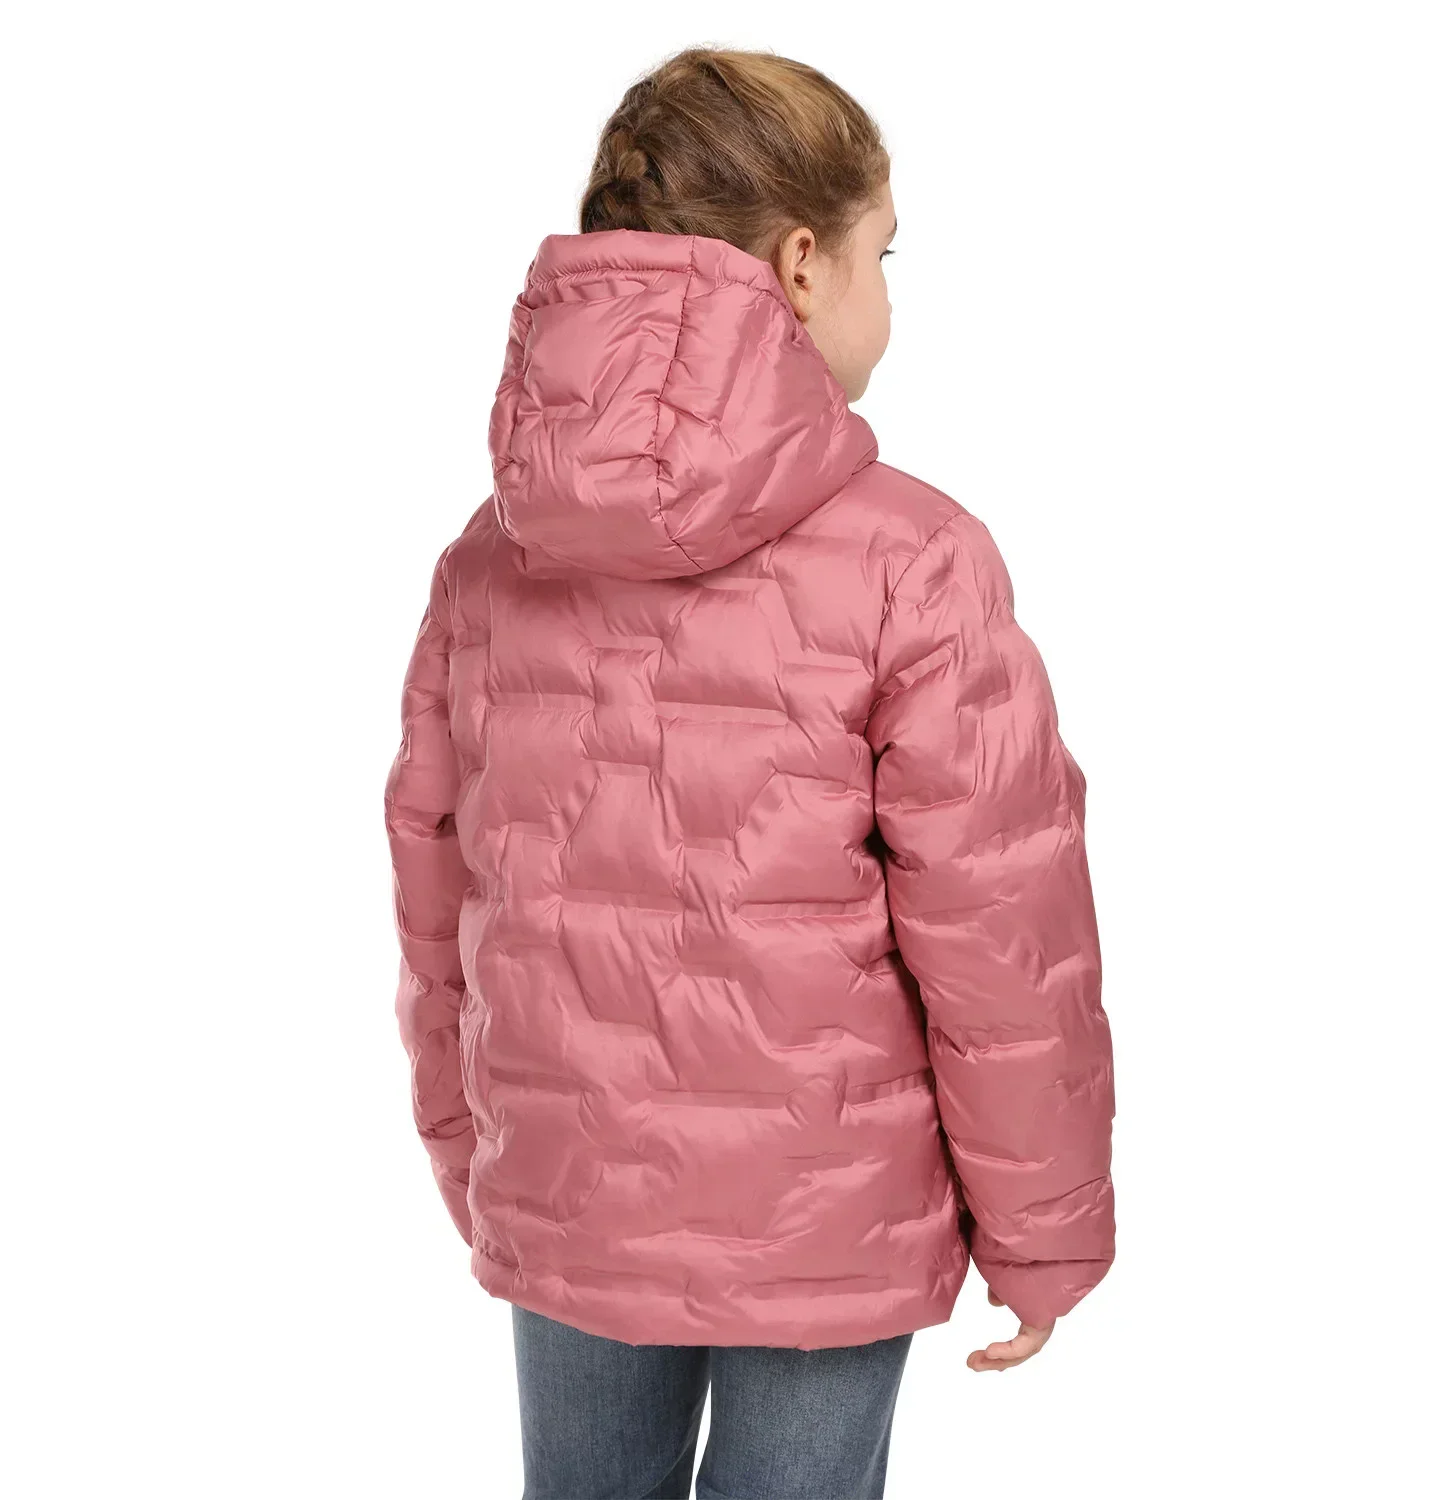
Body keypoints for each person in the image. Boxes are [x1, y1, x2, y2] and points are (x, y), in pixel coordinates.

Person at [384, 45, 1116, 1500]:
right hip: (824, 1225)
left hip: (569, 1191)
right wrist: (1044, 1229)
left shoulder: (492, 555)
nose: (887, 293)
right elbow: (1001, 934)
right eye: (881, 254)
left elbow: (437, 883)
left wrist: (476, 1153)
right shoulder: (916, 560)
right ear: (797, 264)